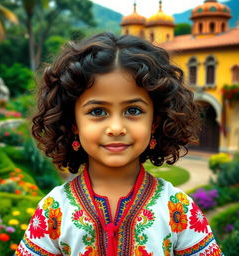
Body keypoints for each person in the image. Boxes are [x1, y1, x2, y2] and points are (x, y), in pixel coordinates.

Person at [15, 32, 223, 256]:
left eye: (133, 111)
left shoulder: (177, 208)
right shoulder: (54, 211)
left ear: (155, 121)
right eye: (97, 111)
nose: (116, 127)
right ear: (73, 123)